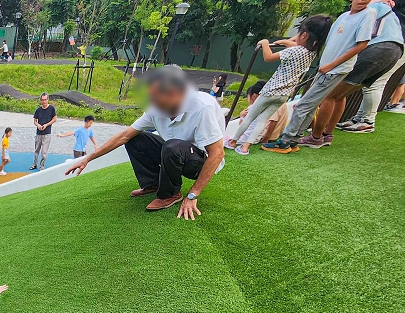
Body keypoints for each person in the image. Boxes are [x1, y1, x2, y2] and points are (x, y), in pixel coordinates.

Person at [66, 65, 225, 219]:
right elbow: (123, 136)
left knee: (172, 147)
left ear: (177, 93)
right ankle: (153, 183)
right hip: (174, 151)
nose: (154, 104)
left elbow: (217, 153)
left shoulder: (202, 108)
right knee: (136, 139)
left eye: (158, 99)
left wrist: (192, 195)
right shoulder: (156, 108)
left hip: (200, 161)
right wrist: (87, 159)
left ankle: (170, 194)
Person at [264, 0, 377, 152]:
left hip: (334, 70)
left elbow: (362, 44)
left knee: (303, 105)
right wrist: (290, 41)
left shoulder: (368, 14)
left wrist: (332, 65)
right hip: (326, 68)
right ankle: (294, 139)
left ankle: (286, 141)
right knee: (309, 106)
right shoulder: (344, 17)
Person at [227, 20, 327, 153]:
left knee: (250, 116)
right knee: (263, 119)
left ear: (304, 35)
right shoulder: (311, 53)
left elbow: (268, 57)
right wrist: (286, 42)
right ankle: (245, 147)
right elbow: (296, 45)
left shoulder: (294, 51)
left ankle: (233, 141)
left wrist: (265, 43)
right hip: (284, 95)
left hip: (271, 90)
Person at [338, 0, 405, 134]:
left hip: (392, 43)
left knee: (376, 83)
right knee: (371, 82)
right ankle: (360, 119)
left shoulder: (383, 6)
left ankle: (367, 121)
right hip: (395, 43)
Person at [30, 93, 58, 170]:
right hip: (39, 133)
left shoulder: (51, 108)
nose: (44, 101)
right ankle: (34, 164)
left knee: (44, 152)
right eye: (42, 100)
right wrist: (38, 125)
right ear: (40, 100)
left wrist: (46, 125)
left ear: (48, 99)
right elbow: (35, 121)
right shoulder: (38, 110)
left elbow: (55, 119)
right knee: (36, 150)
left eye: (45, 99)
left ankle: (41, 166)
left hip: (47, 133)